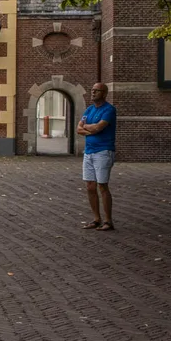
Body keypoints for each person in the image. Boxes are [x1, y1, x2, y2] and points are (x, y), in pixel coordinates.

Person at [77, 82, 116, 231]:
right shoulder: (89, 109)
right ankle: (96, 219)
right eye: (92, 90)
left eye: (97, 91)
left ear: (104, 93)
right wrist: (90, 129)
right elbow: (78, 129)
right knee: (90, 186)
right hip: (89, 152)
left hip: (103, 151)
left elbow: (99, 127)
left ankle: (108, 221)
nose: (93, 93)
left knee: (102, 185)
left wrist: (88, 127)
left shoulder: (109, 110)